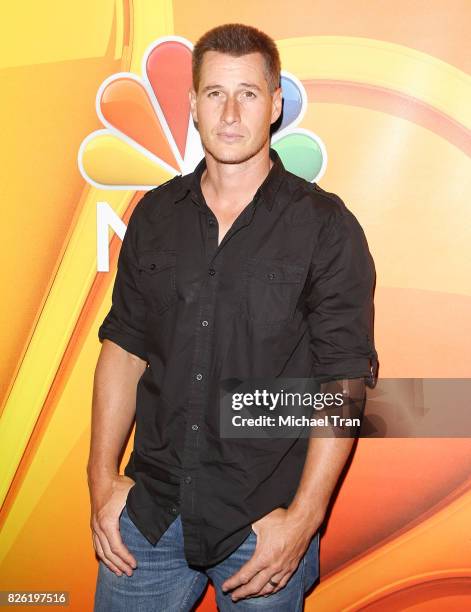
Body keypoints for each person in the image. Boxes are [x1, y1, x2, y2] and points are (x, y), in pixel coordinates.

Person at [88, 22, 379, 611]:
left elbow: (341, 382)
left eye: (247, 93)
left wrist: (303, 520)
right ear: (193, 104)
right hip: (151, 513)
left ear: (275, 104)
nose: (229, 113)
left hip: (261, 524)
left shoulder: (325, 228)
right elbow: (123, 347)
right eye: (215, 93)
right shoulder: (155, 217)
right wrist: (100, 478)